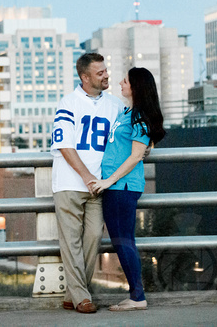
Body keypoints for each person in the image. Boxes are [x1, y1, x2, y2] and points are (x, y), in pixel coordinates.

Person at [51, 53, 124, 313]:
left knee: (93, 237)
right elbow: (64, 144)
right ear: (85, 77)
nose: (106, 75)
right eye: (100, 72)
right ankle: (82, 297)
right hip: (70, 182)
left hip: (99, 185)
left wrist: (144, 147)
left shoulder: (115, 104)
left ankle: (73, 294)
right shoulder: (68, 103)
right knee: (71, 242)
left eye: (106, 70)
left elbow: (131, 133)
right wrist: (85, 176)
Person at [89, 67, 165, 311]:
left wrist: (108, 181)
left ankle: (137, 296)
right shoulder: (126, 113)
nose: (120, 82)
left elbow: (134, 157)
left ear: (136, 87)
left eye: (125, 80)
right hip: (115, 187)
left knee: (124, 241)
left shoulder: (139, 117)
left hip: (122, 187)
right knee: (122, 241)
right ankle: (135, 294)